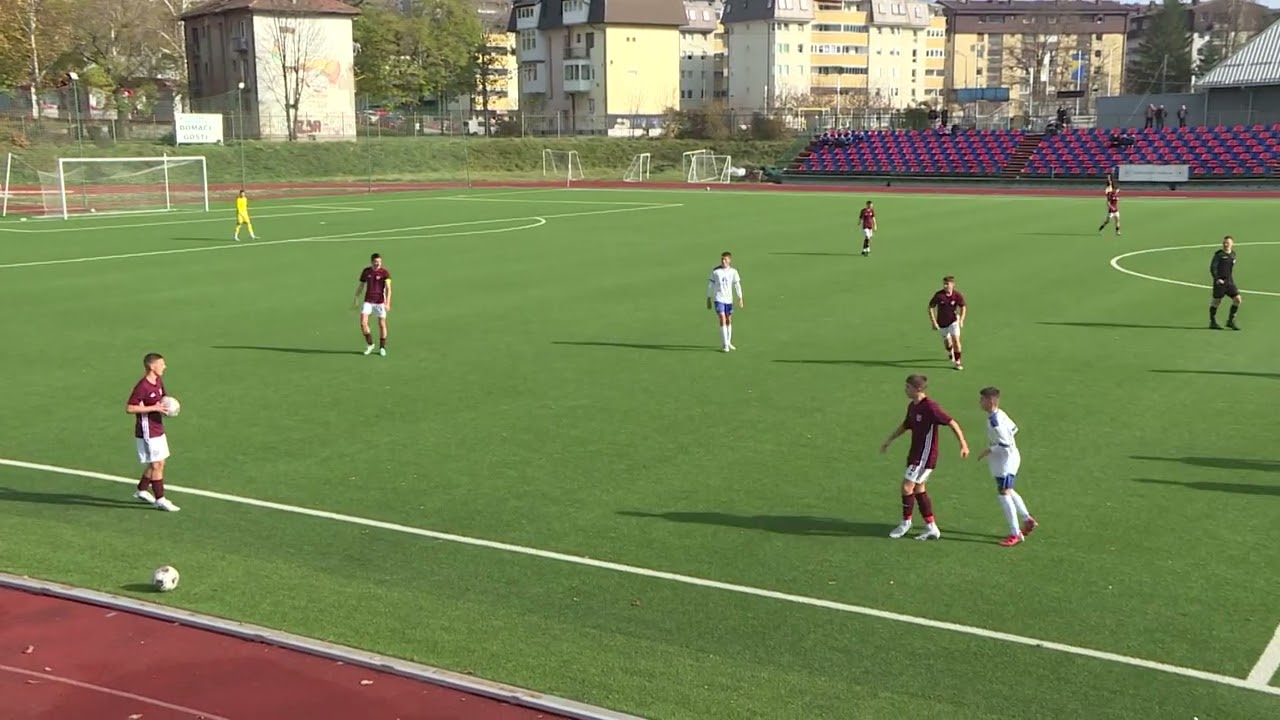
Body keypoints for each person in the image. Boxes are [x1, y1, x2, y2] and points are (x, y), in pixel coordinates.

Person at [880, 375, 969, 541]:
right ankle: (931, 527)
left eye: (907, 387)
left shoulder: (931, 407)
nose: (905, 390)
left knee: (907, 487)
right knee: (919, 489)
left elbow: (952, 422)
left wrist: (963, 444)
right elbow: (906, 425)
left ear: (917, 389)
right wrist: (889, 440)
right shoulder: (913, 406)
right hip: (916, 453)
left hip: (925, 456)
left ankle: (905, 523)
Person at [976, 387, 1037, 546]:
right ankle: (1027, 519)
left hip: (1005, 461)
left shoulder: (994, 421)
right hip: (1009, 458)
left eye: (982, 399)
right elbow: (1014, 429)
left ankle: (1015, 533)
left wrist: (988, 450)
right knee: (1007, 490)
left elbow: (1005, 443)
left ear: (990, 401)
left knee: (1003, 494)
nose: (979, 402)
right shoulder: (1000, 414)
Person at [126, 353, 180, 512]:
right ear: (152, 366)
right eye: (161, 364)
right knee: (157, 464)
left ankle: (141, 490)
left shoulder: (158, 381)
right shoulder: (142, 387)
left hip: (157, 427)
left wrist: (167, 408)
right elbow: (130, 408)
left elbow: (162, 399)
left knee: (159, 463)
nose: (165, 366)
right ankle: (160, 499)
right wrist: (154, 408)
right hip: (147, 431)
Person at [354, 252, 392, 355]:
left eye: (379, 262)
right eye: (376, 262)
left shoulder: (385, 273)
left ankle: (382, 347)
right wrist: (356, 296)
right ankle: (370, 344)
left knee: (382, 324)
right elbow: (361, 285)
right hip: (368, 301)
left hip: (380, 302)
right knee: (363, 322)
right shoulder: (366, 272)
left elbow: (388, 289)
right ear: (372, 262)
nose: (378, 264)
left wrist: (388, 303)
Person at [706, 251, 744, 352]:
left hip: (729, 299)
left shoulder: (733, 272)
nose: (723, 261)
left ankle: (728, 341)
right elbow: (711, 285)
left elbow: (737, 285)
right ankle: (725, 345)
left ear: (729, 260)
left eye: (725, 259)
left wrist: (740, 298)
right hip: (719, 299)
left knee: (729, 319)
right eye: (722, 259)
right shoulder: (715, 271)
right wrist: (709, 298)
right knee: (722, 317)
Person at [928, 275, 967, 370]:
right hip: (942, 323)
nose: (945, 286)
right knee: (947, 342)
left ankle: (958, 362)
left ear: (953, 284)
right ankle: (950, 352)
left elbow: (963, 307)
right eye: (944, 284)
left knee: (956, 341)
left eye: (947, 284)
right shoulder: (939, 295)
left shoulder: (957, 295)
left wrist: (961, 319)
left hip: (953, 321)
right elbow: (930, 307)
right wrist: (933, 322)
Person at [1209, 235, 1241, 330]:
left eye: (1227, 243)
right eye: (1224, 243)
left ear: (1232, 244)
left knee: (1238, 300)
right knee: (1216, 302)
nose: (1225, 244)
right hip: (1220, 282)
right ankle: (1212, 322)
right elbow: (1213, 268)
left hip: (1229, 282)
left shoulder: (1233, 255)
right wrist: (1217, 278)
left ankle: (1230, 321)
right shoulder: (1218, 255)